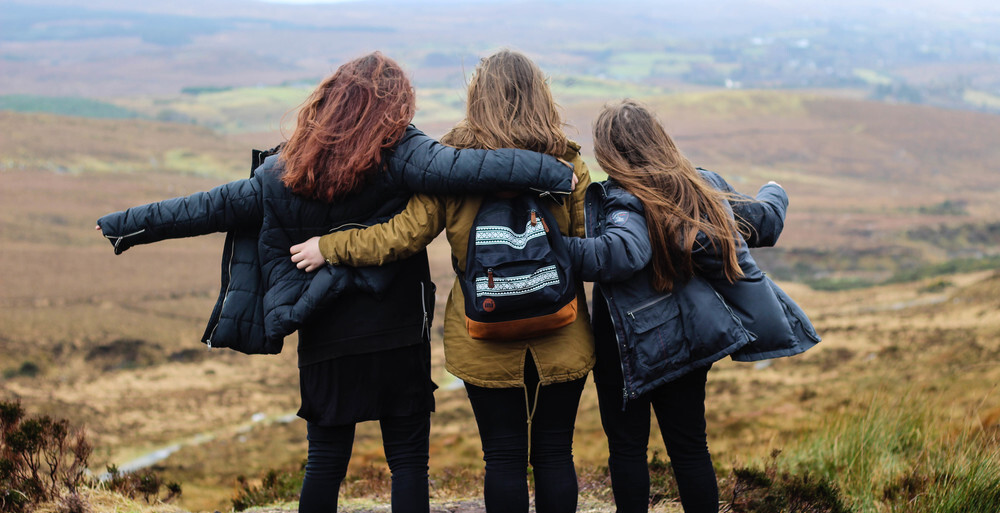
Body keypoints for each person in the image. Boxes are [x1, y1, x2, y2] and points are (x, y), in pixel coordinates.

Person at [95, 52, 574, 513]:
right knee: (409, 463)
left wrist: (126, 225)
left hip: (324, 332)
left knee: (324, 461)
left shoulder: (284, 172)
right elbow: (467, 168)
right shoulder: (402, 153)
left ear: (328, 104)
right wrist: (552, 169)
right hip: (397, 331)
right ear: (396, 106)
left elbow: (203, 208)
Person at [292, 50, 594, 513]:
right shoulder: (567, 161)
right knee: (555, 452)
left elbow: (402, 237)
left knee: (504, 457)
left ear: (477, 98)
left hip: (484, 330)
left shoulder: (451, 164)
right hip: (562, 325)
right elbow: (578, 243)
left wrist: (329, 247)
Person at [560, 99, 819, 513]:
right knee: (690, 447)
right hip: (687, 339)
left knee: (627, 448)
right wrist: (775, 189)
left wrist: (552, 246)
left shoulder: (616, 200)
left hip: (624, 341)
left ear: (609, 152)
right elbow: (765, 222)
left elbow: (614, 256)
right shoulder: (698, 187)